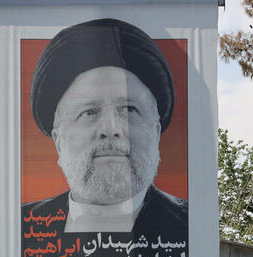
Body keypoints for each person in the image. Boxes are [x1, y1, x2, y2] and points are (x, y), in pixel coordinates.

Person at [21, 18, 187, 237]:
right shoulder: (22, 227)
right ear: (59, 141)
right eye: (89, 112)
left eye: (128, 109)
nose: (110, 129)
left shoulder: (191, 225)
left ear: (156, 133)